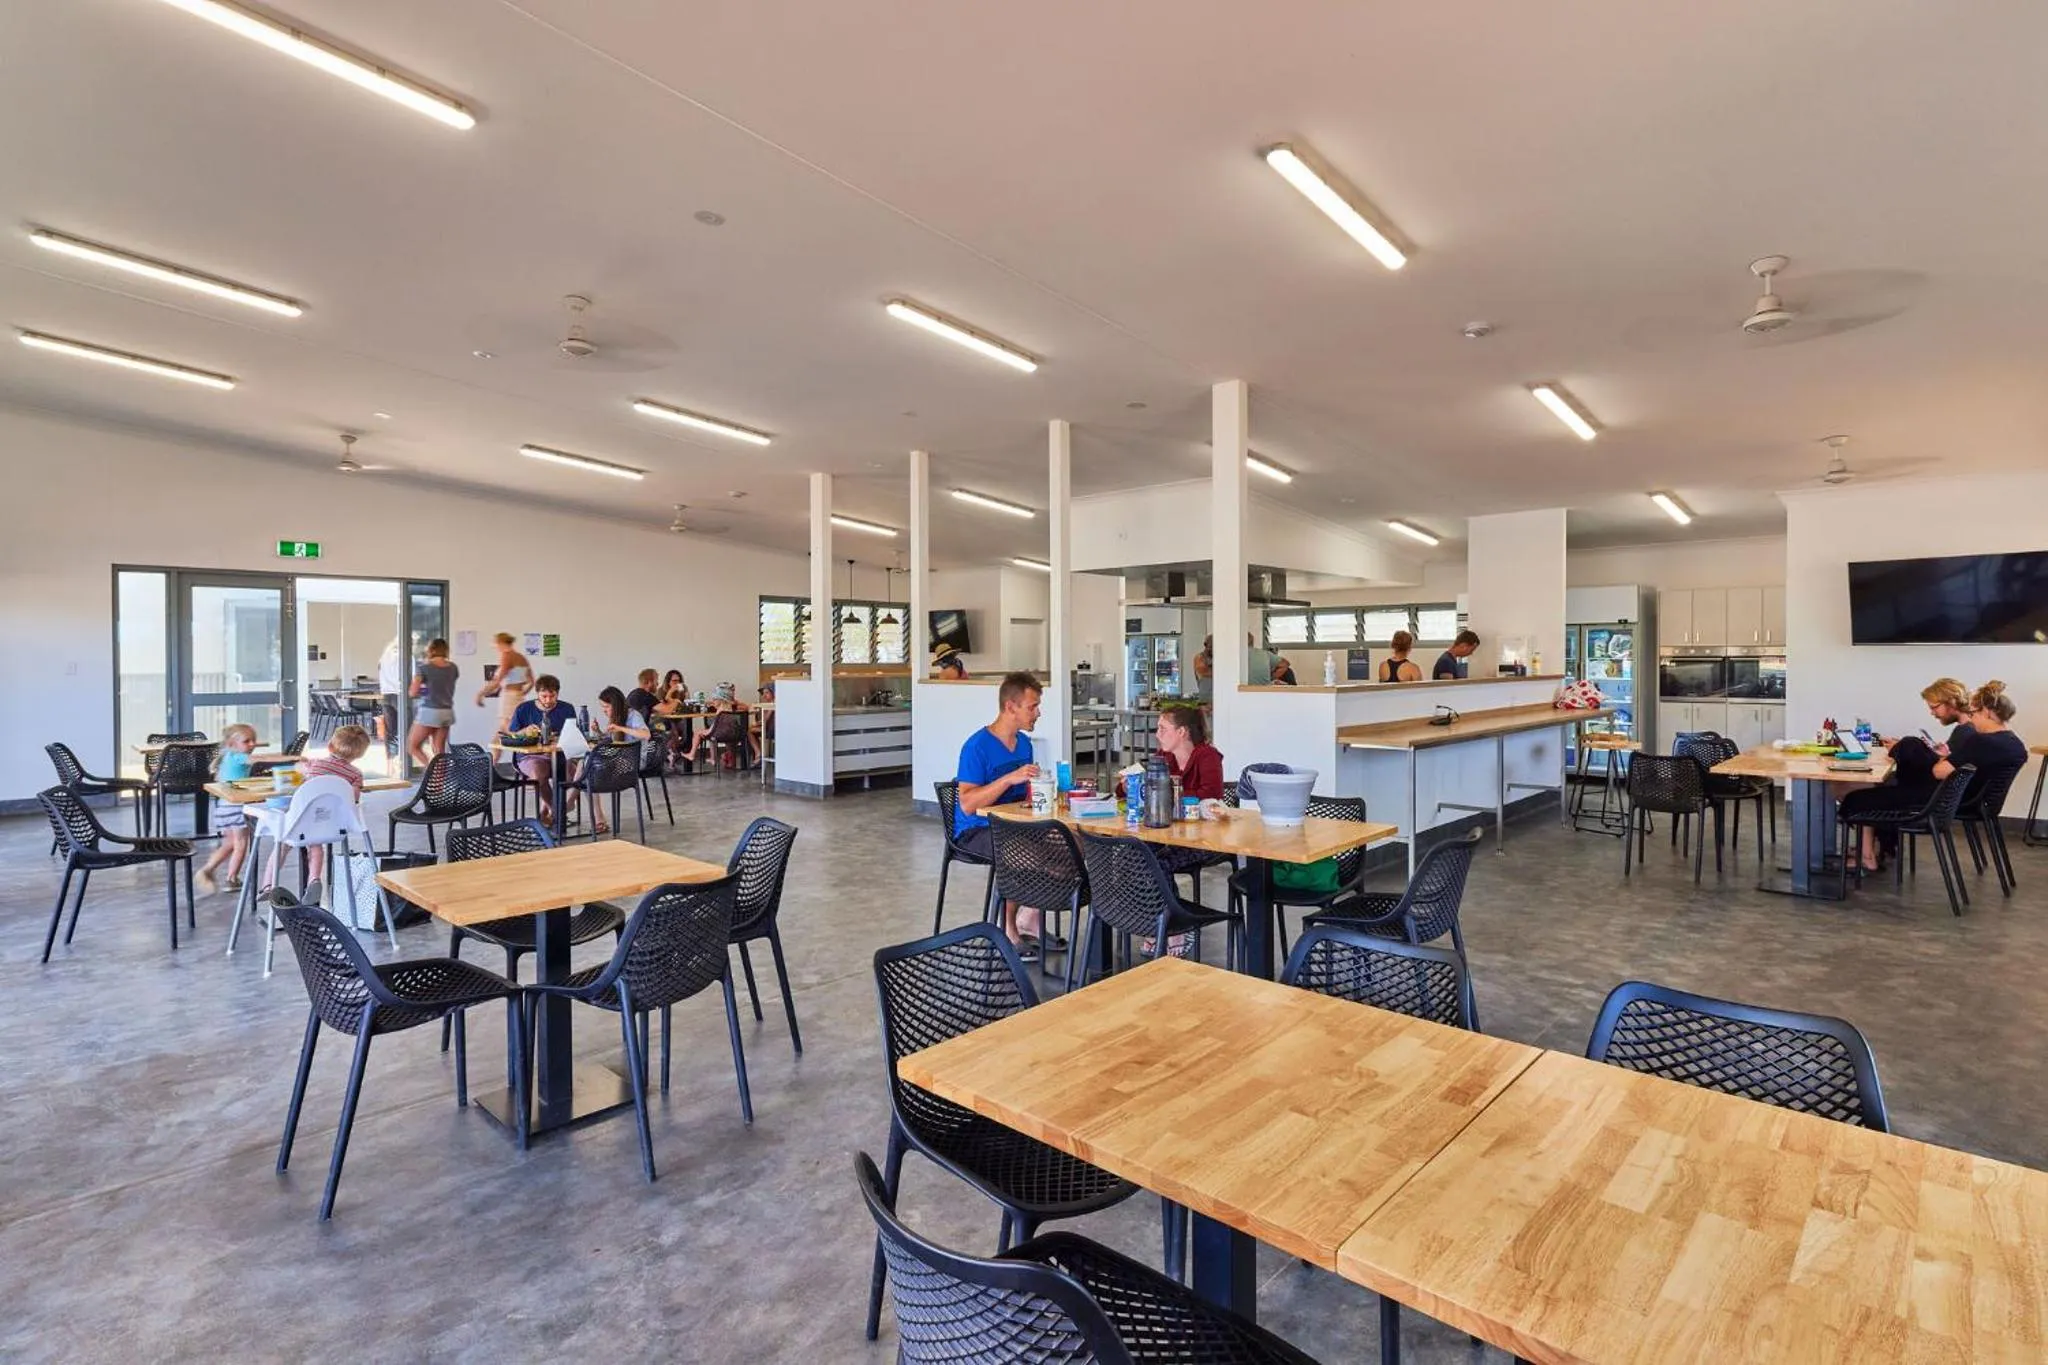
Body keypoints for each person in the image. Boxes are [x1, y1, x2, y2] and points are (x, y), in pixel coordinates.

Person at [954, 671, 1048, 957]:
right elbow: (967, 803)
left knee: (1071, 845)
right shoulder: (976, 747)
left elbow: (1023, 793)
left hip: (1014, 825)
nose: (1038, 713)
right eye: (1032, 706)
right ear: (1011, 707)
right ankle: (1007, 928)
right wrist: (1008, 779)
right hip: (975, 830)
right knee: (1025, 854)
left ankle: (1031, 918)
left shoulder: (1024, 744)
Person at [1840, 677, 1974, 871]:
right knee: (1885, 781)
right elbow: (1947, 761)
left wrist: (1906, 747)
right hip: (1937, 796)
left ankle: (1868, 855)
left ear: (1951, 703)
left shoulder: (1965, 733)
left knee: (1859, 797)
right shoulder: (1965, 731)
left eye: (1934, 707)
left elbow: (1939, 769)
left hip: (1929, 800)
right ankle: (1873, 849)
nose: (1932, 713)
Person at [295, 723, 370, 886]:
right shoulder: (356, 774)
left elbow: (302, 778)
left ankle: (268, 885)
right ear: (361, 754)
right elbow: (353, 799)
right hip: (335, 823)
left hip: (306, 818)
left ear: (330, 746)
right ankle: (314, 879)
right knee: (316, 846)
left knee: (308, 844)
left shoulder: (315, 764)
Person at [195, 723, 259, 895]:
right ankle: (232, 878)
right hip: (236, 806)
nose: (252, 744)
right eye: (247, 741)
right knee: (241, 843)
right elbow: (260, 759)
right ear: (232, 743)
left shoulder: (227, 756)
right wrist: (290, 758)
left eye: (254, 740)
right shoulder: (239, 757)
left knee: (230, 843)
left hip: (223, 807)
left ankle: (208, 869)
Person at [508, 675, 578, 830]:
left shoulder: (567, 709)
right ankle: (558, 813)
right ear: (537, 694)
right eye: (544, 696)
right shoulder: (524, 709)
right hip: (529, 756)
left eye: (552, 696)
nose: (548, 700)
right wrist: (525, 731)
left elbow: (573, 735)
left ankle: (549, 813)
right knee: (539, 774)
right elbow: (512, 734)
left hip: (559, 755)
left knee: (576, 774)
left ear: (557, 693)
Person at [406, 637, 459, 768]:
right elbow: (443, 686)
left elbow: (412, 692)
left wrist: (423, 691)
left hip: (430, 711)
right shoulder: (453, 668)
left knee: (412, 746)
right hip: (447, 712)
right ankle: (440, 780)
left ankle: (431, 770)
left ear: (432, 650)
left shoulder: (424, 668)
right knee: (439, 750)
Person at [1156, 705, 1224, 799]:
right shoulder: (1162, 756)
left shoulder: (1208, 755)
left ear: (1181, 731)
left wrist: (1171, 795)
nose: (1157, 735)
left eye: (1163, 729)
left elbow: (1211, 794)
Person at [474, 633, 533, 734]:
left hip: (508, 697)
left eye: (496, 644)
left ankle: (527, 736)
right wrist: (520, 693)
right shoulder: (521, 657)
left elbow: (497, 681)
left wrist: (480, 694)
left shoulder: (507, 656)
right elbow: (531, 682)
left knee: (508, 730)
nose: (495, 647)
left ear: (501, 643)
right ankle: (495, 746)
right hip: (518, 696)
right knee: (503, 730)